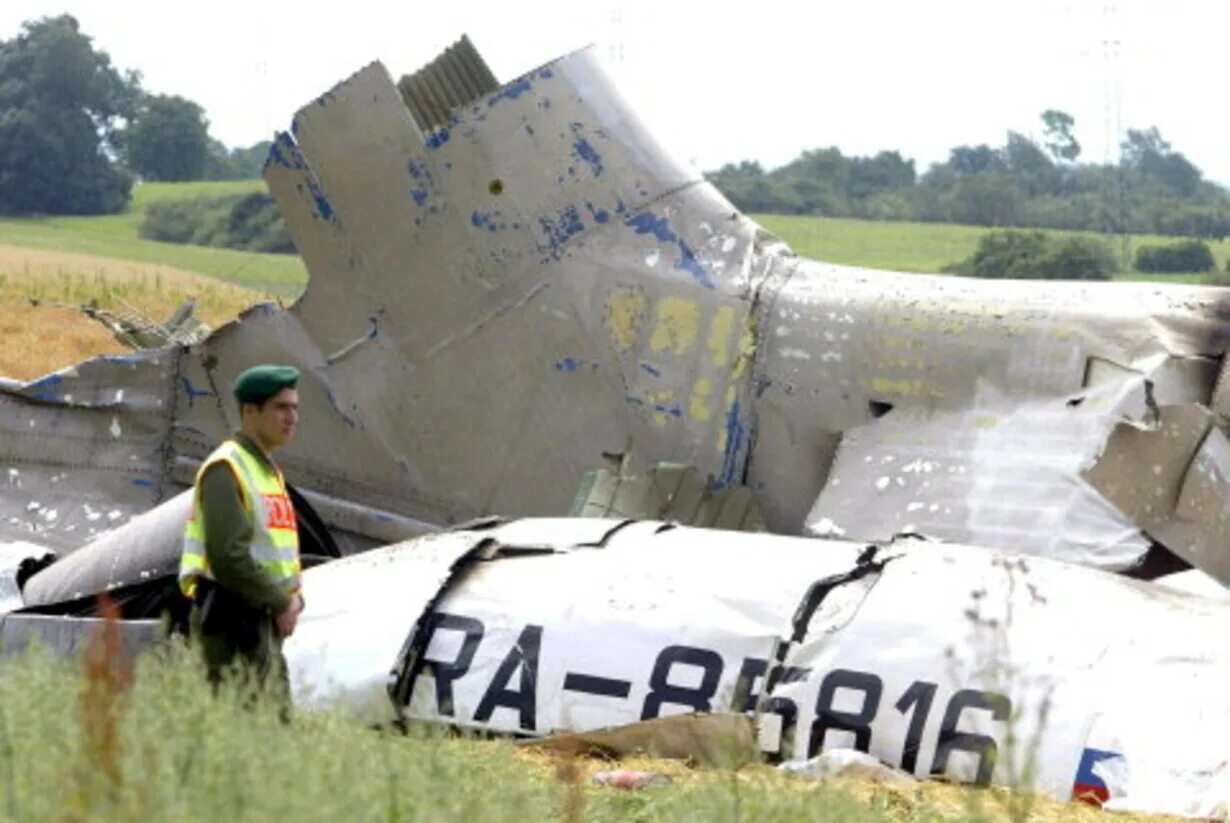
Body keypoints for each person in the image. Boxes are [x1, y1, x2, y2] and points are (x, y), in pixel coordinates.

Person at [179, 364, 304, 705]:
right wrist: (282, 601)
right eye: (281, 408)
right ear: (250, 411)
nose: (291, 417)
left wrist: (292, 598)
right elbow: (228, 556)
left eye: (295, 408)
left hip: (262, 620)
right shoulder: (227, 467)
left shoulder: (268, 471)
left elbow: (273, 550)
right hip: (233, 622)